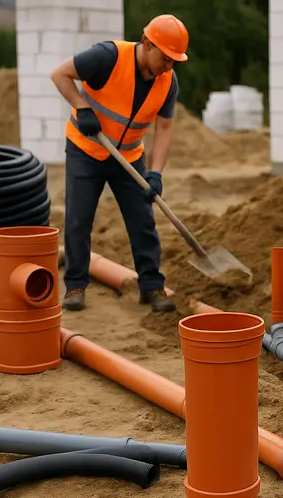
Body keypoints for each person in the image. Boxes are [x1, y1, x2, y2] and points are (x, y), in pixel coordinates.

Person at [49, 14, 190, 312]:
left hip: (128, 155)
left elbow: (164, 129)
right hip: (86, 148)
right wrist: (81, 107)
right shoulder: (107, 57)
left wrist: (155, 174)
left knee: (142, 220)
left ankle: (151, 287)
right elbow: (60, 74)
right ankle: (75, 285)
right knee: (79, 218)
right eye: (166, 58)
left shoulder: (167, 82)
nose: (169, 65)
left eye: (174, 60)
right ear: (147, 44)